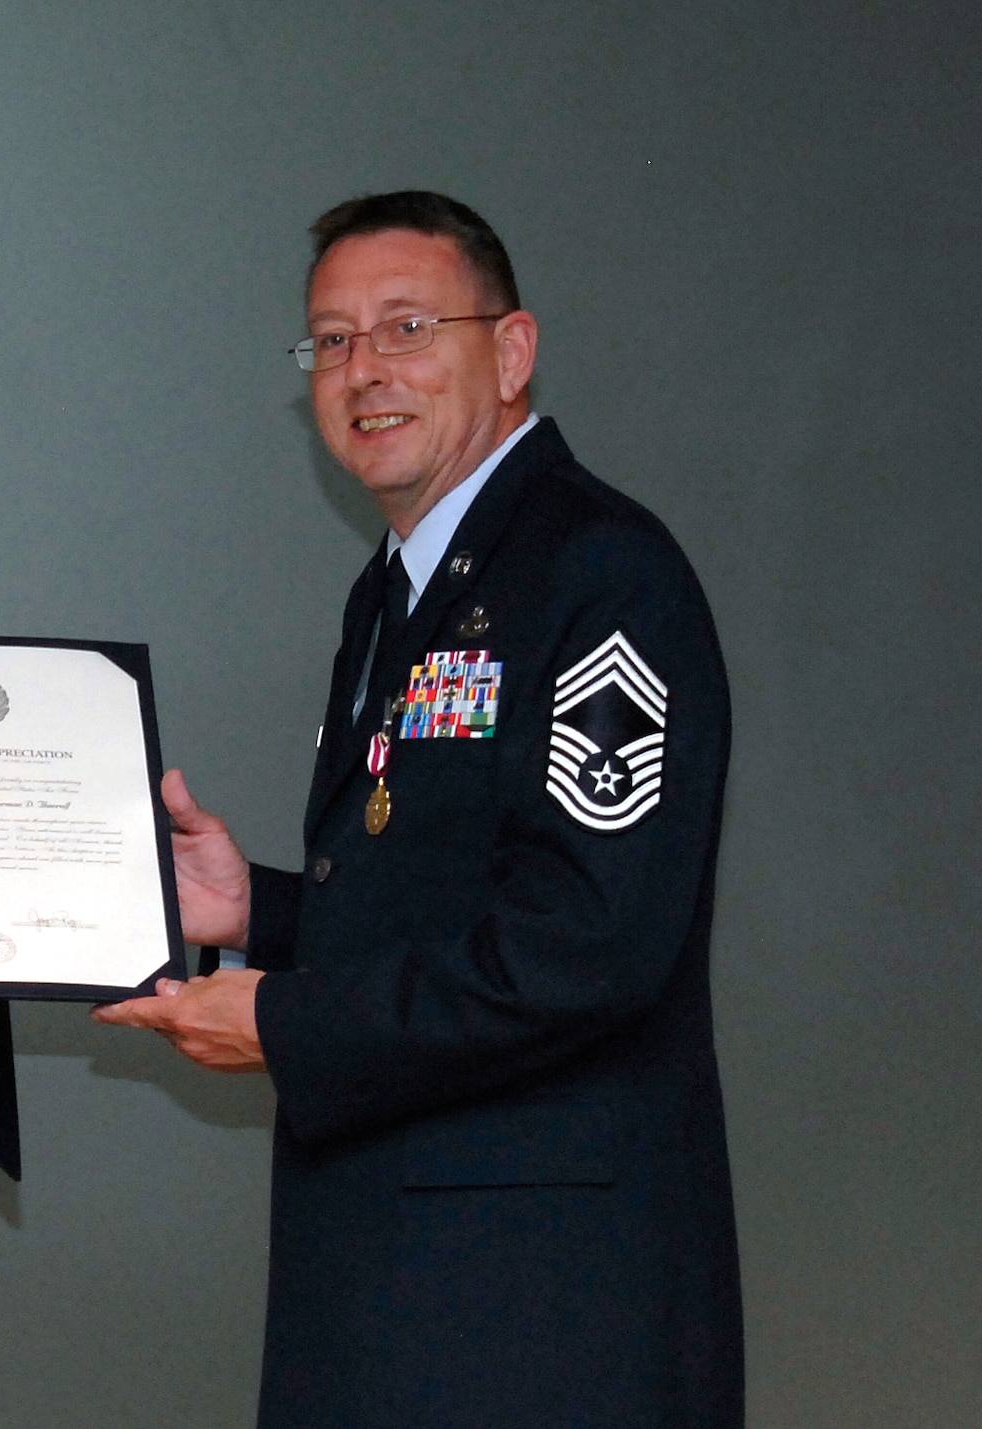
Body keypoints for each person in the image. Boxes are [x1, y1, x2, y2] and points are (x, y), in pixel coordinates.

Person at [97, 191, 742, 1427]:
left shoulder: (597, 570)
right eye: (329, 340)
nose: (361, 369)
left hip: (540, 1307)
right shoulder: (400, 587)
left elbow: (587, 944)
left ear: (508, 350)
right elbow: (439, 889)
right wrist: (258, 917)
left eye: (404, 327)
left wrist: (287, 1021)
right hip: (402, 1283)